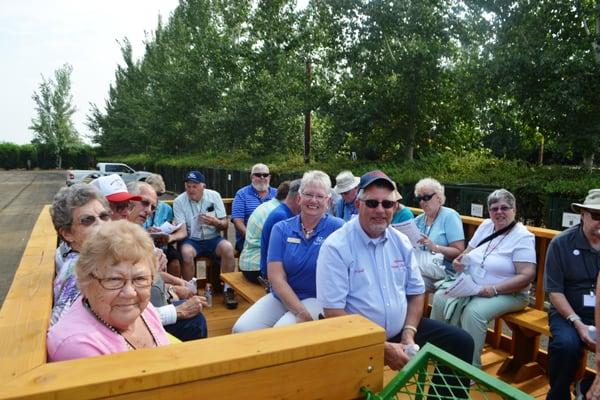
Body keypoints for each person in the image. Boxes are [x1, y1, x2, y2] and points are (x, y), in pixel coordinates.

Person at [316, 170, 473, 398]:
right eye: (372, 203)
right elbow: (332, 313)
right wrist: (382, 347)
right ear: (359, 205)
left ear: (394, 208)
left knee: (461, 343)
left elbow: (417, 292)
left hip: (400, 330)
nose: (380, 210)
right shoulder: (336, 246)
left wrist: (409, 333)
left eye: (387, 204)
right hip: (355, 338)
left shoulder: (400, 241)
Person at [430, 189, 536, 368]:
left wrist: (494, 289)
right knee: (441, 298)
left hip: (509, 293)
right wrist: (459, 261)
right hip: (473, 286)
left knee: (473, 312)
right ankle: (437, 351)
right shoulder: (486, 226)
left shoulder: (522, 237)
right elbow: (468, 252)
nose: (499, 212)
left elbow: (526, 276)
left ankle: (469, 367)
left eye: (504, 208)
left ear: (514, 210)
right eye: (494, 209)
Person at [232, 171, 344, 332]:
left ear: (328, 201)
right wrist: (300, 312)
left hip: (317, 298)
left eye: (319, 196)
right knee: (241, 329)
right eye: (308, 194)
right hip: (282, 296)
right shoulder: (282, 229)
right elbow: (275, 276)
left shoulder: (338, 228)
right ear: (299, 198)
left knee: (281, 333)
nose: (313, 200)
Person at [47, 221, 169, 361]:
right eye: (114, 280)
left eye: (140, 278)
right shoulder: (77, 346)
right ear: (86, 281)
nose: (130, 292)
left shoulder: (144, 309)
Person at [127, 181, 208, 341]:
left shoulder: (138, 233)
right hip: (142, 318)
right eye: (144, 203)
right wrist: (174, 297)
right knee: (196, 321)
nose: (149, 210)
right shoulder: (113, 243)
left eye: (152, 206)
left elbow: (152, 276)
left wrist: (175, 286)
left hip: (156, 303)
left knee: (196, 310)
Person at [546, 189, 600, 399]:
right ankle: (558, 393)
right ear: (582, 215)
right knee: (565, 346)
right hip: (569, 312)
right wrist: (578, 323)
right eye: (596, 216)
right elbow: (555, 291)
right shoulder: (561, 244)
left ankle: (587, 387)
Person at [171, 171, 237, 309]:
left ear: (203, 186)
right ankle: (191, 292)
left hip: (213, 237)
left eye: (194, 186)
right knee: (186, 253)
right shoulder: (179, 201)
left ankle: (228, 289)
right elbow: (182, 229)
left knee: (228, 248)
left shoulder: (214, 196)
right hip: (191, 239)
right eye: (188, 186)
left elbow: (225, 223)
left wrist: (215, 222)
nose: (190, 189)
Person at [50, 183, 111, 325]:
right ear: (68, 233)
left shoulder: (90, 261)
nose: (100, 224)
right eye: (87, 220)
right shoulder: (79, 273)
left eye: (104, 216)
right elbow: (58, 326)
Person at [413, 177, 465, 290]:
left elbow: (459, 251)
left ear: (438, 197)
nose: (422, 202)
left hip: (445, 271)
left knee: (408, 277)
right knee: (405, 280)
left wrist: (435, 247)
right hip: (424, 270)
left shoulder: (449, 216)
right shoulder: (418, 220)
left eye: (426, 197)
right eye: (419, 198)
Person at [238, 181, 290, 283]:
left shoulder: (268, 205)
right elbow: (281, 248)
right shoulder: (280, 213)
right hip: (257, 268)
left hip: (248, 263)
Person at [143, 173, 184, 277]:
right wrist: (146, 231)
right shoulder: (140, 206)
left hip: (162, 244)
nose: (156, 197)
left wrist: (170, 230)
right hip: (143, 244)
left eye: (158, 194)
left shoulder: (166, 208)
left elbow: (172, 230)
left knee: (175, 260)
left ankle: (173, 289)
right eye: (153, 193)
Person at [260, 179, 302, 279]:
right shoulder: (282, 217)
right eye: (308, 196)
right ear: (298, 198)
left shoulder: (284, 212)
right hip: (274, 275)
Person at [232, 163, 277, 252]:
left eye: (265, 175)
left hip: (274, 238)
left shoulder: (278, 194)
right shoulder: (242, 194)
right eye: (258, 175)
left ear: (269, 177)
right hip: (248, 240)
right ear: (251, 177)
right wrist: (251, 238)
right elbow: (237, 221)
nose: (262, 177)